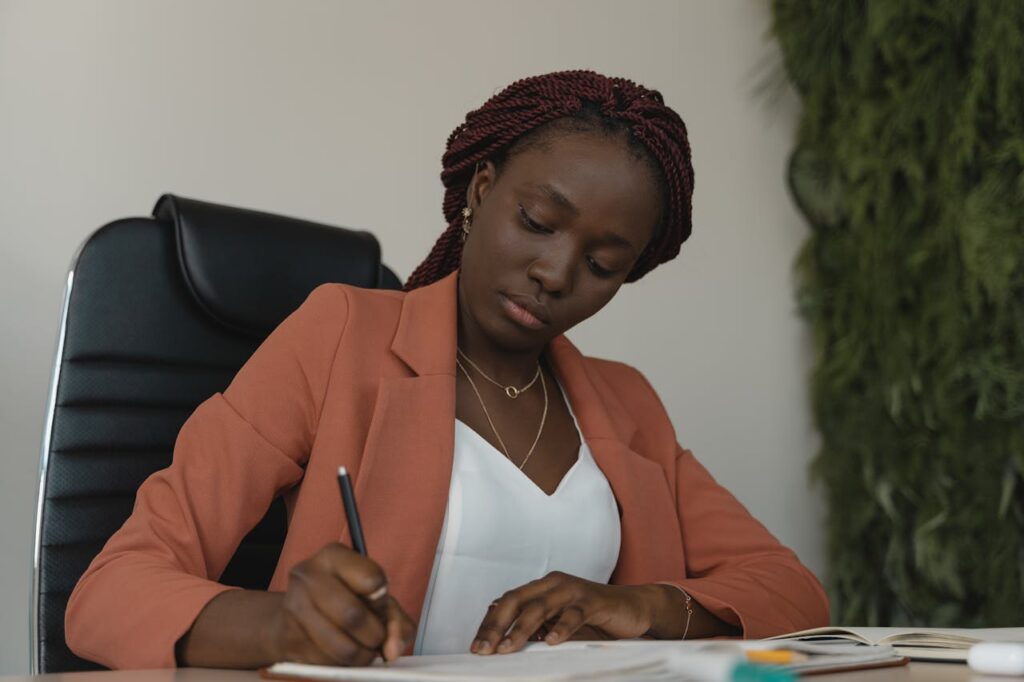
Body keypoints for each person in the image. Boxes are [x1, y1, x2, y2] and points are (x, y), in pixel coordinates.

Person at [65, 70, 829, 670]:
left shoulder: (627, 404)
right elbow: (109, 591)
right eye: (537, 222)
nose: (557, 273)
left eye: (602, 264)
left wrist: (645, 607)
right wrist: (279, 628)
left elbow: (792, 590)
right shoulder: (341, 336)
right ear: (482, 188)